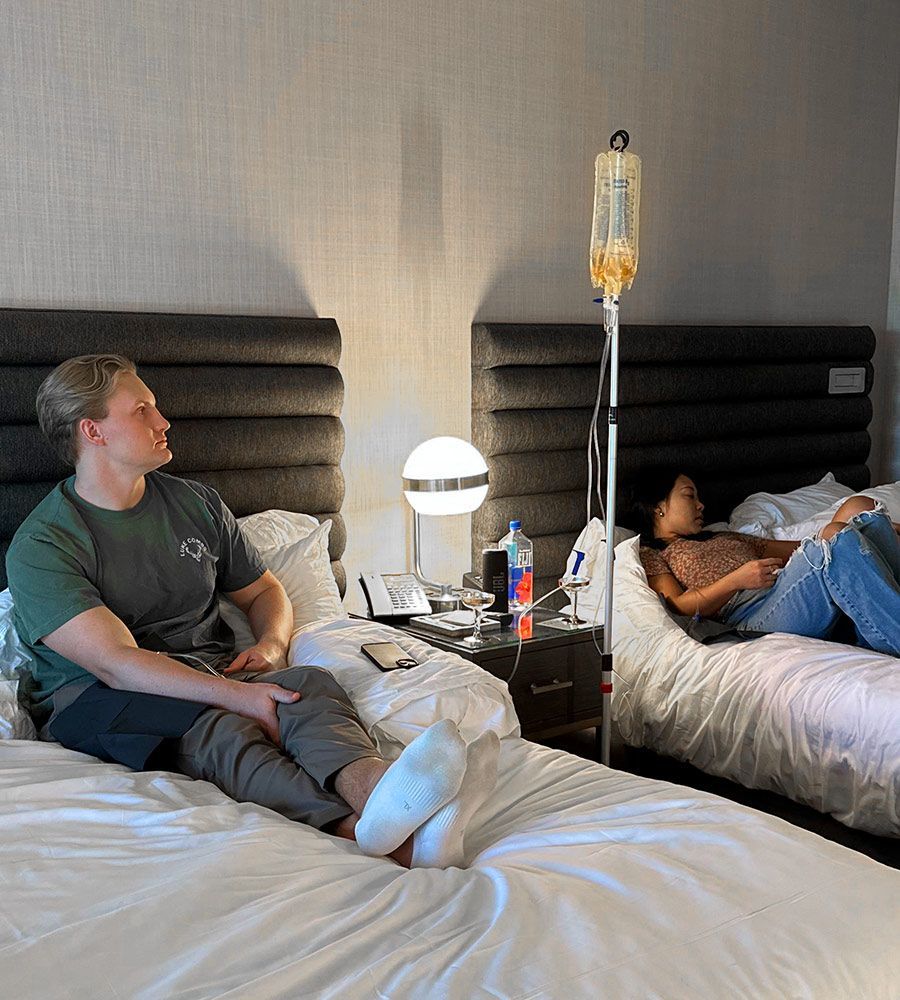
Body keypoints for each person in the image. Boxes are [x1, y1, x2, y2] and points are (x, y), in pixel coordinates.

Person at [6, 355, 500, 869]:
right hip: (98, 698)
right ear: (93, 430)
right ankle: (383, 837)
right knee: (220, 727)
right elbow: (116, 663)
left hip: (208, 669)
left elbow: (265, 592)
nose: (163, 421)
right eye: (142, 411)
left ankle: (386, 793)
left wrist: (270, 645)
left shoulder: (194, 504)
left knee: (306, 685)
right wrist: (238, 697)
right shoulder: (45, 544)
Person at [623, 468, 900, 656]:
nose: (700, 505)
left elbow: (806, 544)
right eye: (689, 495)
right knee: (835, 536)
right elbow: (677, 606)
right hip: (749, 616)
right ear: (658, 506)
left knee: (863, 511)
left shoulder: (724, 536)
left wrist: (865, 530)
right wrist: (736, 581)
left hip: (782, 588)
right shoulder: (653, 553)